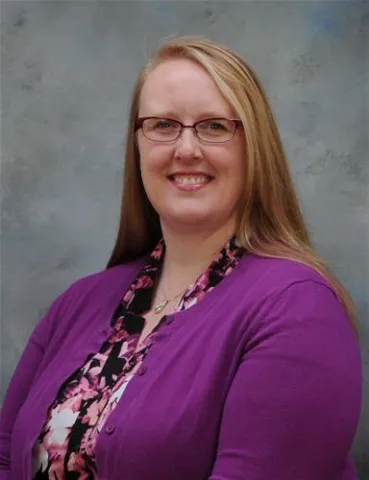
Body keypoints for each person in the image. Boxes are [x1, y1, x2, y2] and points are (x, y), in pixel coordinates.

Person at [0, 35, 362, 480]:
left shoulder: (297, 308)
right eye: (163, 125)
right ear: (138, 145)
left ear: (255, 149)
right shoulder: (79, 303)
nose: (186, 149)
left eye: (214, 126)